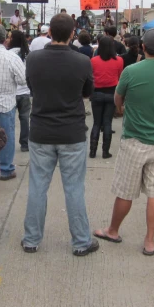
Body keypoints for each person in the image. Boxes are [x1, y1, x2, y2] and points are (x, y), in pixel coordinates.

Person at [93, 29, 154, 255]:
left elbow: (118, 99)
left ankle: (113, 230)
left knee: (125, 191)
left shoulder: (132, 71)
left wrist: (122, 108)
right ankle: (150, 241)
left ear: (143, 47)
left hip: (135, 139)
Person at [22, 13, 97, 256]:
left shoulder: (33, 59)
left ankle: (31, 239)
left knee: (37, 187)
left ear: (49, 32)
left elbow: (32, 88)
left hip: (42, 130)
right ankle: (81, 242)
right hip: (72, 132)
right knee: (74, 189)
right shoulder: (82, 61)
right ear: (73, 33)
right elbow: (87, 92)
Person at [0, 24, 27, 180]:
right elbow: (23, 80)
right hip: (5, 103)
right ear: (4, 39)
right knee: (5, 136)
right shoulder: (11, 57)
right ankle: (5, 169)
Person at [89, 36, 123, 159]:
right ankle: (105, 152)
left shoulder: (93, 61)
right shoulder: (119, 60)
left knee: (96, 123)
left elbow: (91, 76)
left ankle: (92, 151)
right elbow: (119, 76)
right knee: (108, 122)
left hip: (97, 93)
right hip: (111, 93)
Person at [8, 30, 31, 153]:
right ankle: (24, 143)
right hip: (25, 91)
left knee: (10, 120)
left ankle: (8, 142)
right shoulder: (27, 54)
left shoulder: (8, 54)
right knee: (25, 119)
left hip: (12, 92)